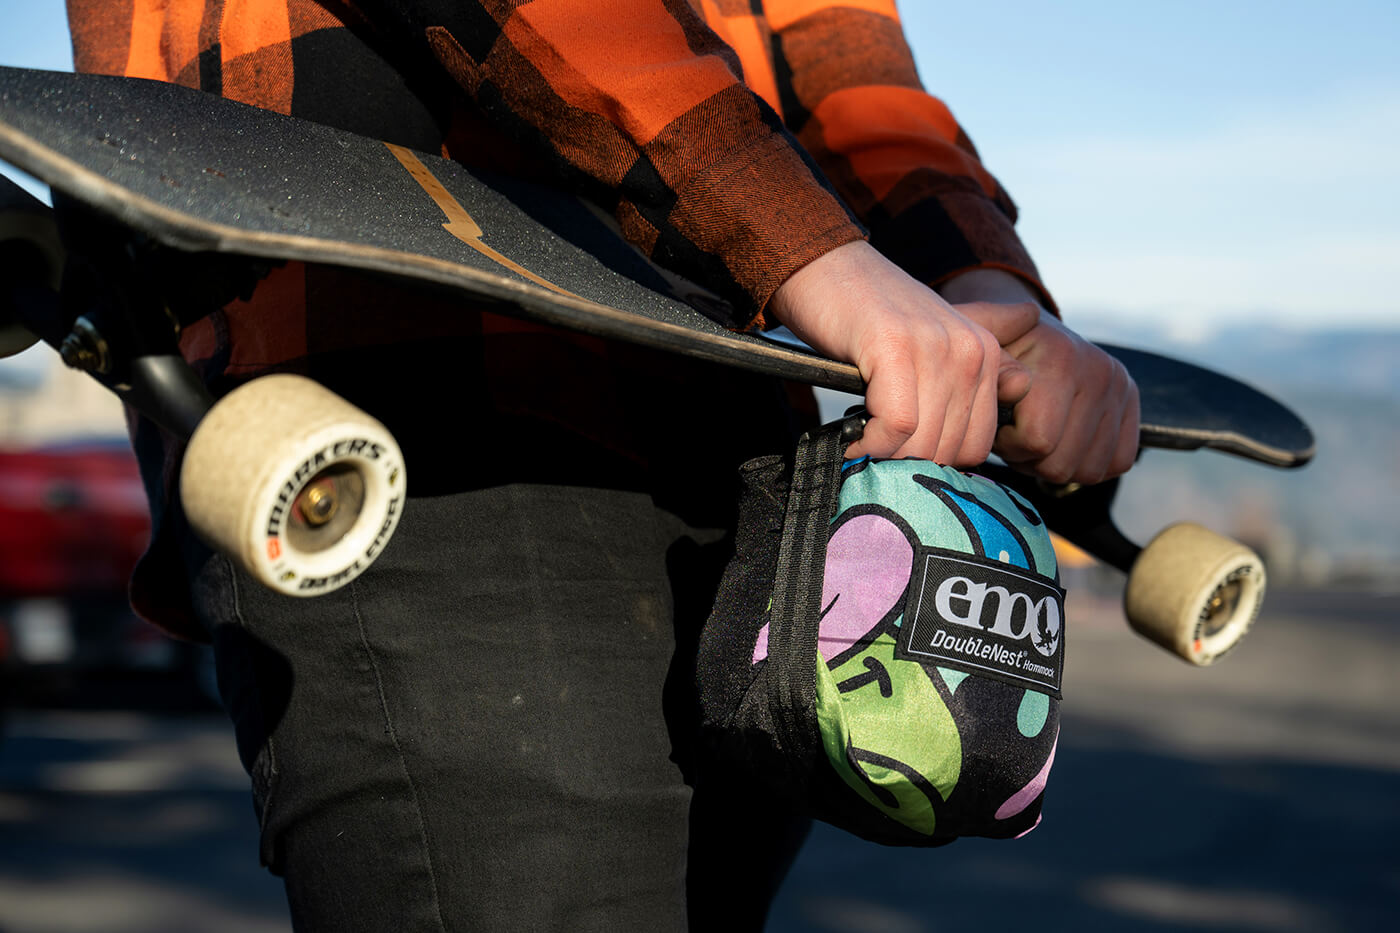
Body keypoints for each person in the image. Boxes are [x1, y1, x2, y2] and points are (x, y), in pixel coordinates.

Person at [64, 0, 1138, 929]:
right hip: (424, 419)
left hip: (748, 463)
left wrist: (982, 283)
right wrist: (805, 245)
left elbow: (846, 66)